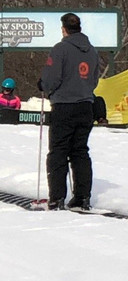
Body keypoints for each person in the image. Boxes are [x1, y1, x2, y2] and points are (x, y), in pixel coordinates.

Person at [39, 12, 100, 210]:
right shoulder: (92, 50)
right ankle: (82, 197)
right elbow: (94, 80)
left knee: (58, 151)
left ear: (64, 29)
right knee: (80, 151)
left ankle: (57, 198)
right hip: (85, 106)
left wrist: (44, 85)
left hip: (64, 105)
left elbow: (52, 78)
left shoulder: (60, 49)